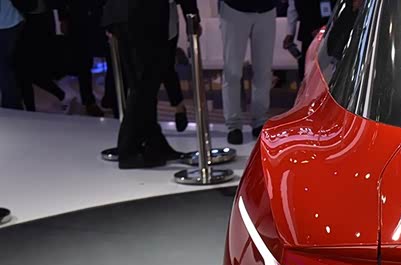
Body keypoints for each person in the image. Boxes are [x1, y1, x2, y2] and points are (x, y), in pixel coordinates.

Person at [102, 0, 198, 169]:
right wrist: (192, 14)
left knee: (142, 84)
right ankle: (128, 150)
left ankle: (153, 142)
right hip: (144, 14)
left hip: (122, 14)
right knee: (144, 84)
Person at [219, 0, 276, 145]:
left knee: (263, 70)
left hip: (266, 9)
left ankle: (260, 120)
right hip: (234, 8)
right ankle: (233, 125)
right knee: (232, 72)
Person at [284, 0, 328, 83]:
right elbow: (294, 6)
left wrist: (327, 26)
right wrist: (290, 32)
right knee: (306, 71)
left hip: (329, 30)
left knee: (325, 71)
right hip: (307, 31)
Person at [163, 0, 187, 131]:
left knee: (167, 67)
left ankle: (178, 105)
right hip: (141, 16)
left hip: (167, 16)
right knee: (148, 71)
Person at [0, 0, 24, 109]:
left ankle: (12, 106)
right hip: (12, 21)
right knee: (6, 68)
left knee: (4, 70)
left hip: (5, 25)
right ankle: (13, 105)